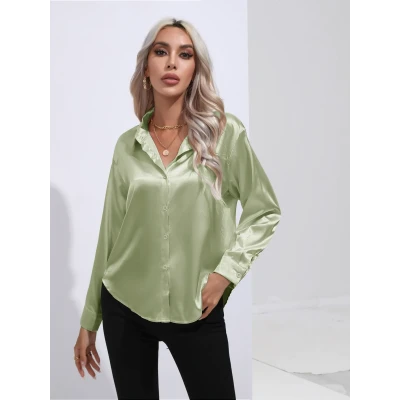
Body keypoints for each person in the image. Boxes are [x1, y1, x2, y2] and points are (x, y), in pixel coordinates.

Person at [73, 17, 281, 400]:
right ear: (146, 68)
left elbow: (264, 210)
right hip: (125, 306)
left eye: (185, 55)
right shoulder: (127, 147)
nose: (172, 62)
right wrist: (90, 319)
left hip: (196, 308)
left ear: (195, 70)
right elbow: (110, 233)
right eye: (161, 52)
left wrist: (225, 273)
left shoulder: (224, 135)